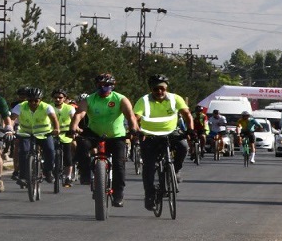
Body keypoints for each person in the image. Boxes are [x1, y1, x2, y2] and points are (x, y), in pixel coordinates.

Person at [71, 73, 138, 207]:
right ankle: (84, 172)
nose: (103, 88)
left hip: (116, 136)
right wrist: (73, 127)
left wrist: (134, 129)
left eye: (107, 85)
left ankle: (118, 194)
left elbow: (130, 116)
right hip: (94, 133)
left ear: (112, 86)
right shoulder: (89, 99)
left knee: (119, 165)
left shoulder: (120, 99)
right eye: (100, 85)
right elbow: (79, 114)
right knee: (82, 144)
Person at [134, 74, 194, 210]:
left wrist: (190, 130)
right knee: (149, 168)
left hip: (171, 132)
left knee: (183, 146)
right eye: (156, 89)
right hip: (150, 135)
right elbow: (135, 118)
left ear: (166, 88)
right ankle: (149, 195)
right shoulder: (143, 100)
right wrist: (137, 131)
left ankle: (176, 170)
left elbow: (187, 114)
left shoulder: (175, 98)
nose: (159, 92)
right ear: (151, 89)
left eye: (162, 88)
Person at [11, 87, 61, 186]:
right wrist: (10, 130)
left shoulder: (47, 107)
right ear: (27, 99)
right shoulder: (20, 106)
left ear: (40, 100)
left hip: (44, 133)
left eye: (36, 100)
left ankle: (48, 171)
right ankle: (23, 176)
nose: (33, 103)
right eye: (30, 100)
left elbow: (54, 119)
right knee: (23, 151)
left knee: (50, 150)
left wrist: (56, 129)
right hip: (26, 133)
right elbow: (12, 119)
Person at [52, 89, 77, 187]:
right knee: (49, 150)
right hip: (52, 133)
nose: (58, 99)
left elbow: (74, 119)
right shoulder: (49, 107)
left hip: (66, 133)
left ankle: (68, 176)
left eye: (60, 97)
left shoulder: (69, 108)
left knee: (67, 155)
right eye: (55, 97)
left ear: (65, 98)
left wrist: (75, 130)